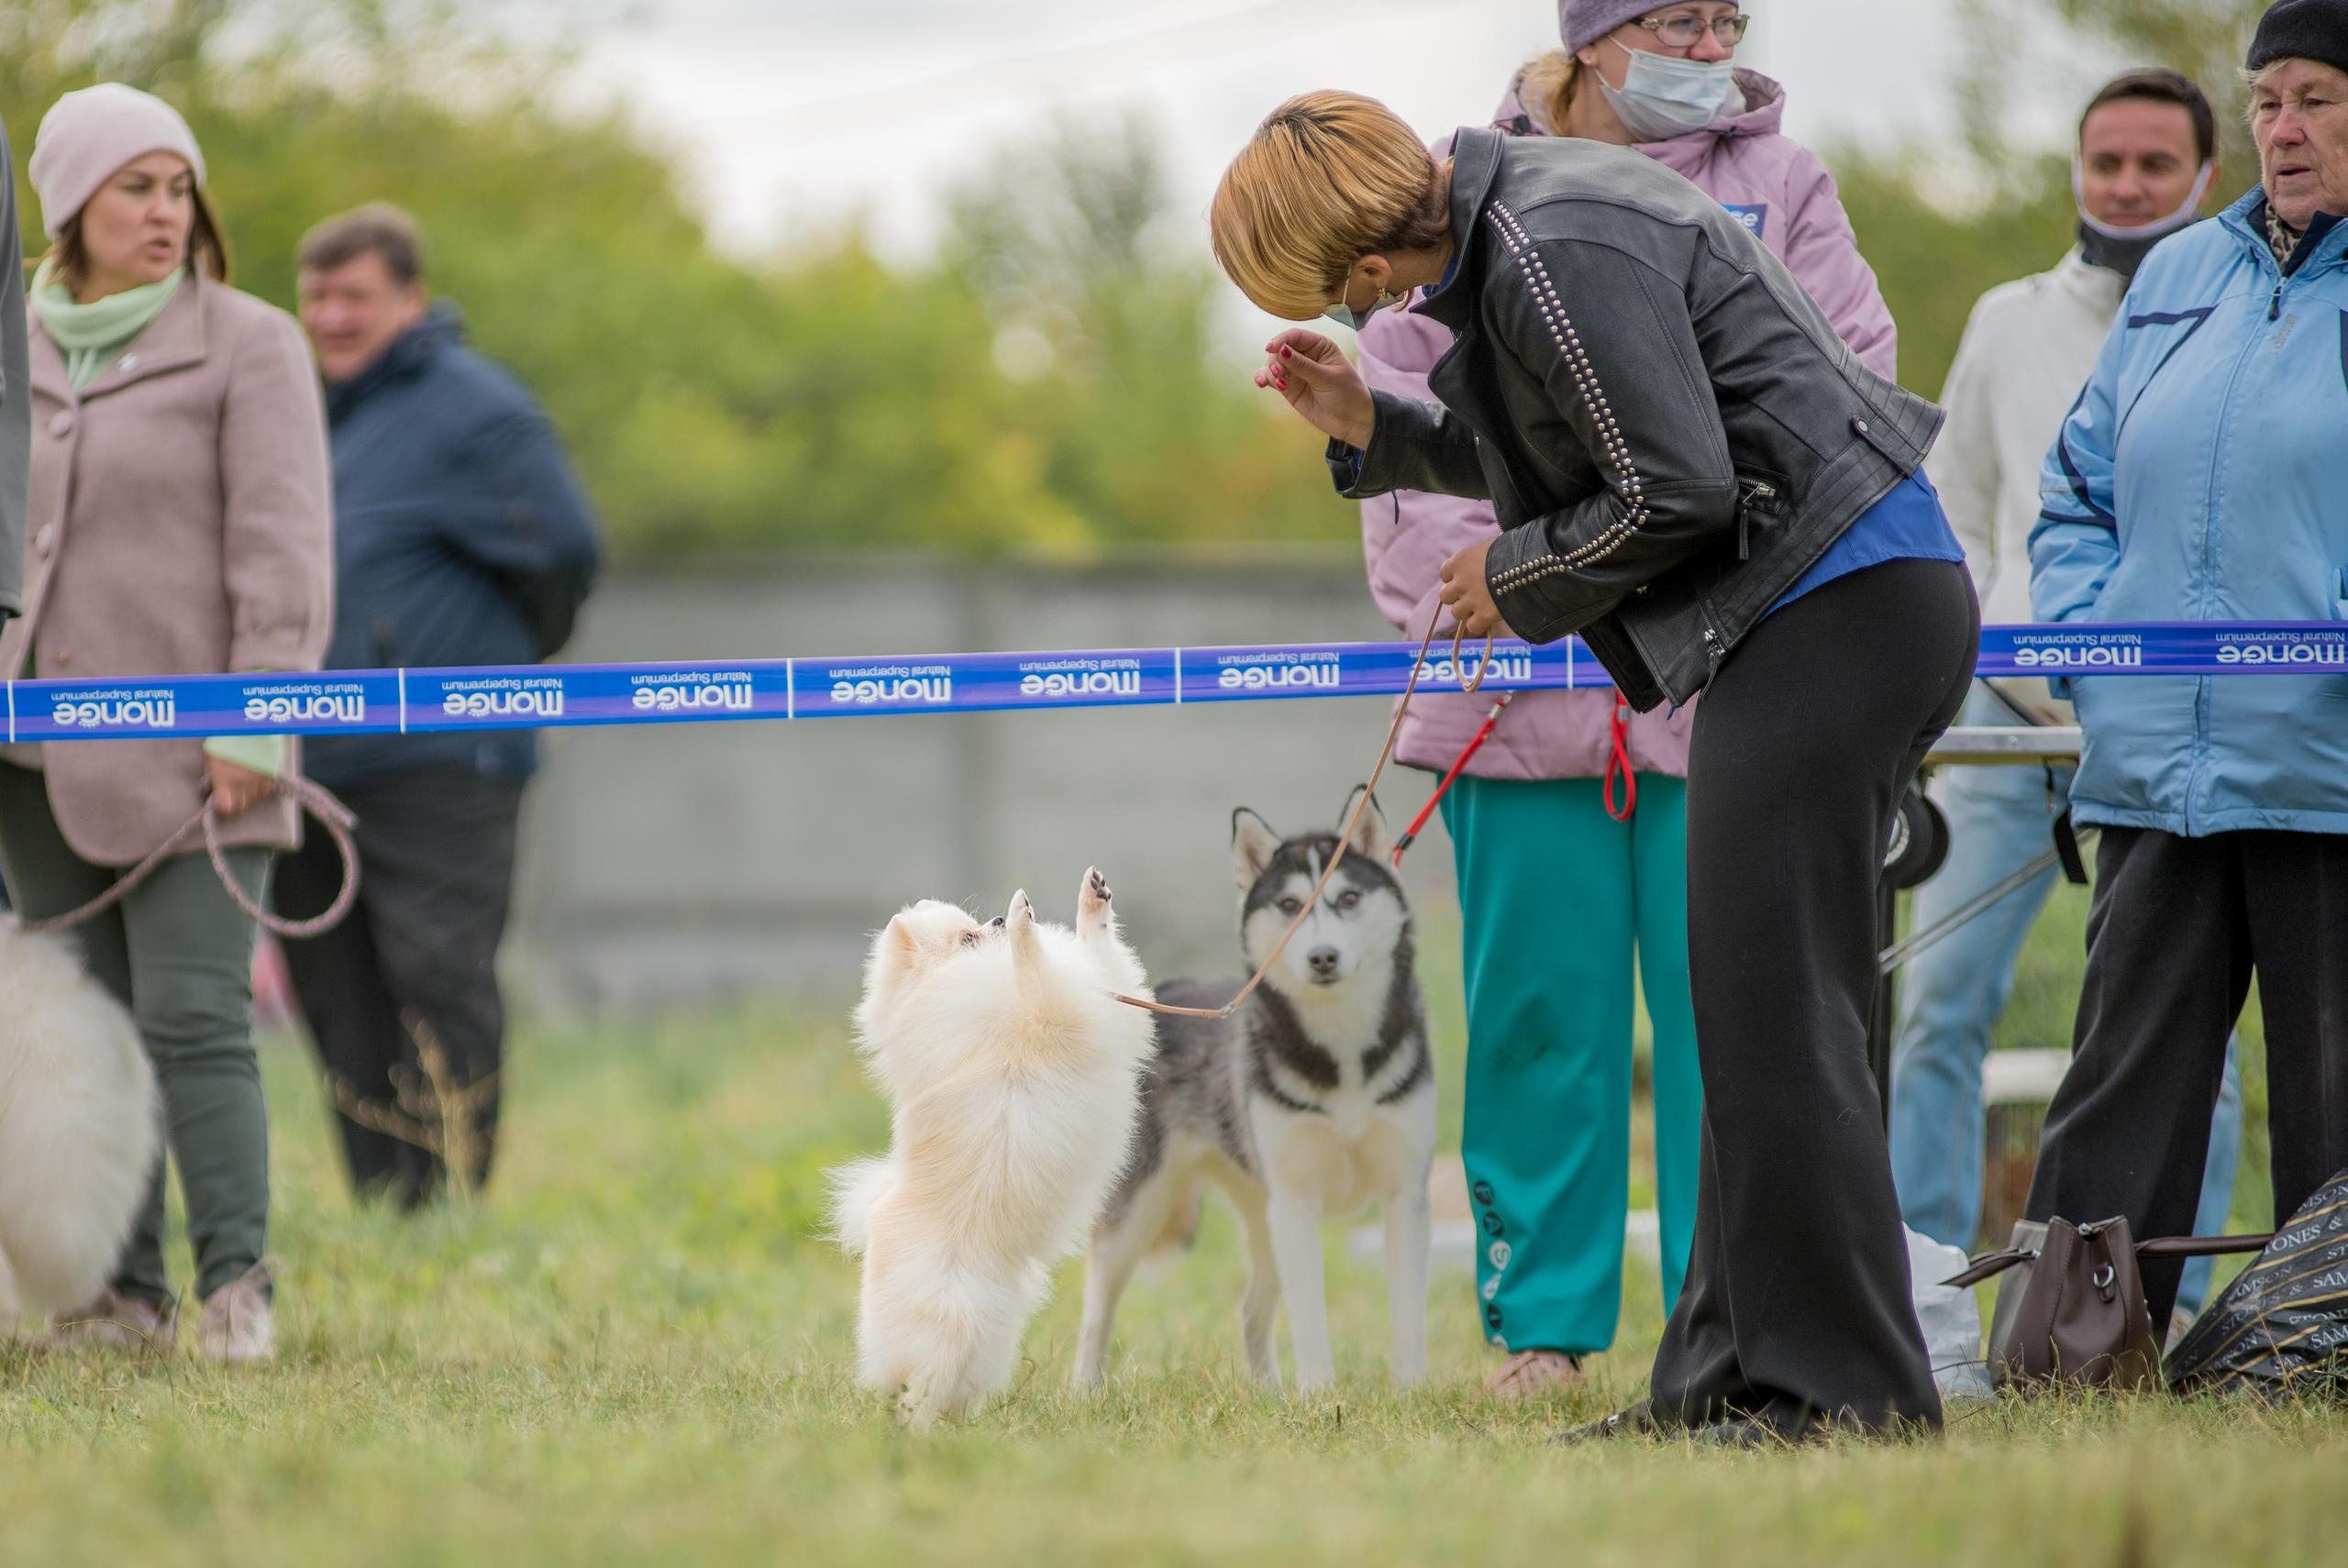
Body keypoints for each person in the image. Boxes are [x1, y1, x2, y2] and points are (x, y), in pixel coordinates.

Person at [1215, 92, 1975, 1441]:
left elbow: (1668, 492)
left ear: (1367, 232)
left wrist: (1514, 575)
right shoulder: (1516, 241)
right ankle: (1720, 1387)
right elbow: (1569, 453)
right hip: (1798, 616)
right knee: (1746, 1025)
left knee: (1785, 1028)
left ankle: (1849, 1395)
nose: (1359, 300)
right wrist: (1373, 421)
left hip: (1843, 609)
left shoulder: (1559, 236)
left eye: (1342, 281)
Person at [1355, 0, 1899, 1397]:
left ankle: (1730, 1323)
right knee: (1540, 1024)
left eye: (1730, 14)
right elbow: (1413, 444)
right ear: (1594, 37)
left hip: (1724, 683)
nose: (1712, 40)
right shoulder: (1441, 198)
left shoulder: (1787, 187)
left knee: (1743, 1021)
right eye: (1676, 15)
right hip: (1518, 700)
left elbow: (1843, 393)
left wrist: (1592, 566)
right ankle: (1540, 1327)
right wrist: (1528, 592)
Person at [1886, 68, 2243, 1329]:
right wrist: (1990, 655)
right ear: (2077, 172)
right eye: (2109, 163)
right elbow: (1959, 512)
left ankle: (2180, 1302)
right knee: (1936, 1008)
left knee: (2188, 1031)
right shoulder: (2005, 320)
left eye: (2156, 164)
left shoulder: (2246, 313)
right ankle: (1923, 1297)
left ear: (2206, 173)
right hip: (2002, 724)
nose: (2130, 186)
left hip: (2163, 732)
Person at [2024, 0, 2348, 1334]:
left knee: (2333, 1092)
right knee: (2119, 1087)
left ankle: (2316, 1356)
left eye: (2319, 97)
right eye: (2267, 98)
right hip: (2157, 767)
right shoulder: (2176, 277)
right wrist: (2103, 660)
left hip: (2328, 769)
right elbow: (2074, 496)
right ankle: (2075, 1354)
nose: (2284, 126)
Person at [0, 83, 333, 1361]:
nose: (164, 212)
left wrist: (259, 712)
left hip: (205, 753)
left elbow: (285, 549)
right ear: (68, 207)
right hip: (31, 750)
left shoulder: (250, 342)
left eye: (178, 187)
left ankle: (236, 1288)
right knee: (77, 1034)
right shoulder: (14, 345)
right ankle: (119, 1297)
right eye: (134, 187)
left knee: (195, 1017)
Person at [275, 204, 601, 1209]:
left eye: (355, 296)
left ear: (411, 301)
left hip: (443, 761)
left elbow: (568, 552)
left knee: (438, 979)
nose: (332, 316)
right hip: (303, 760)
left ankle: (457, 1199)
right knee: (334, 995)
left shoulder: (475, 410)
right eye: (317, 296)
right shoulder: (296, 411)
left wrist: (479, 665)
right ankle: (387, 1209)